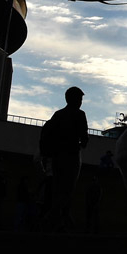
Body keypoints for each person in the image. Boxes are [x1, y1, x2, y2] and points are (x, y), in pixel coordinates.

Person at [41, 86, 89, 231]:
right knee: (68, 189)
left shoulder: (58, 114)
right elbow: (84, 138)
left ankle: (61, 220)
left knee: (58, 188)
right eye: (80, 99)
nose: (81, 102)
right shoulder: (79, 115)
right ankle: (53, 217)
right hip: (72, 156)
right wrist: (82, 143)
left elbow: (47, 131)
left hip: (57, 157)